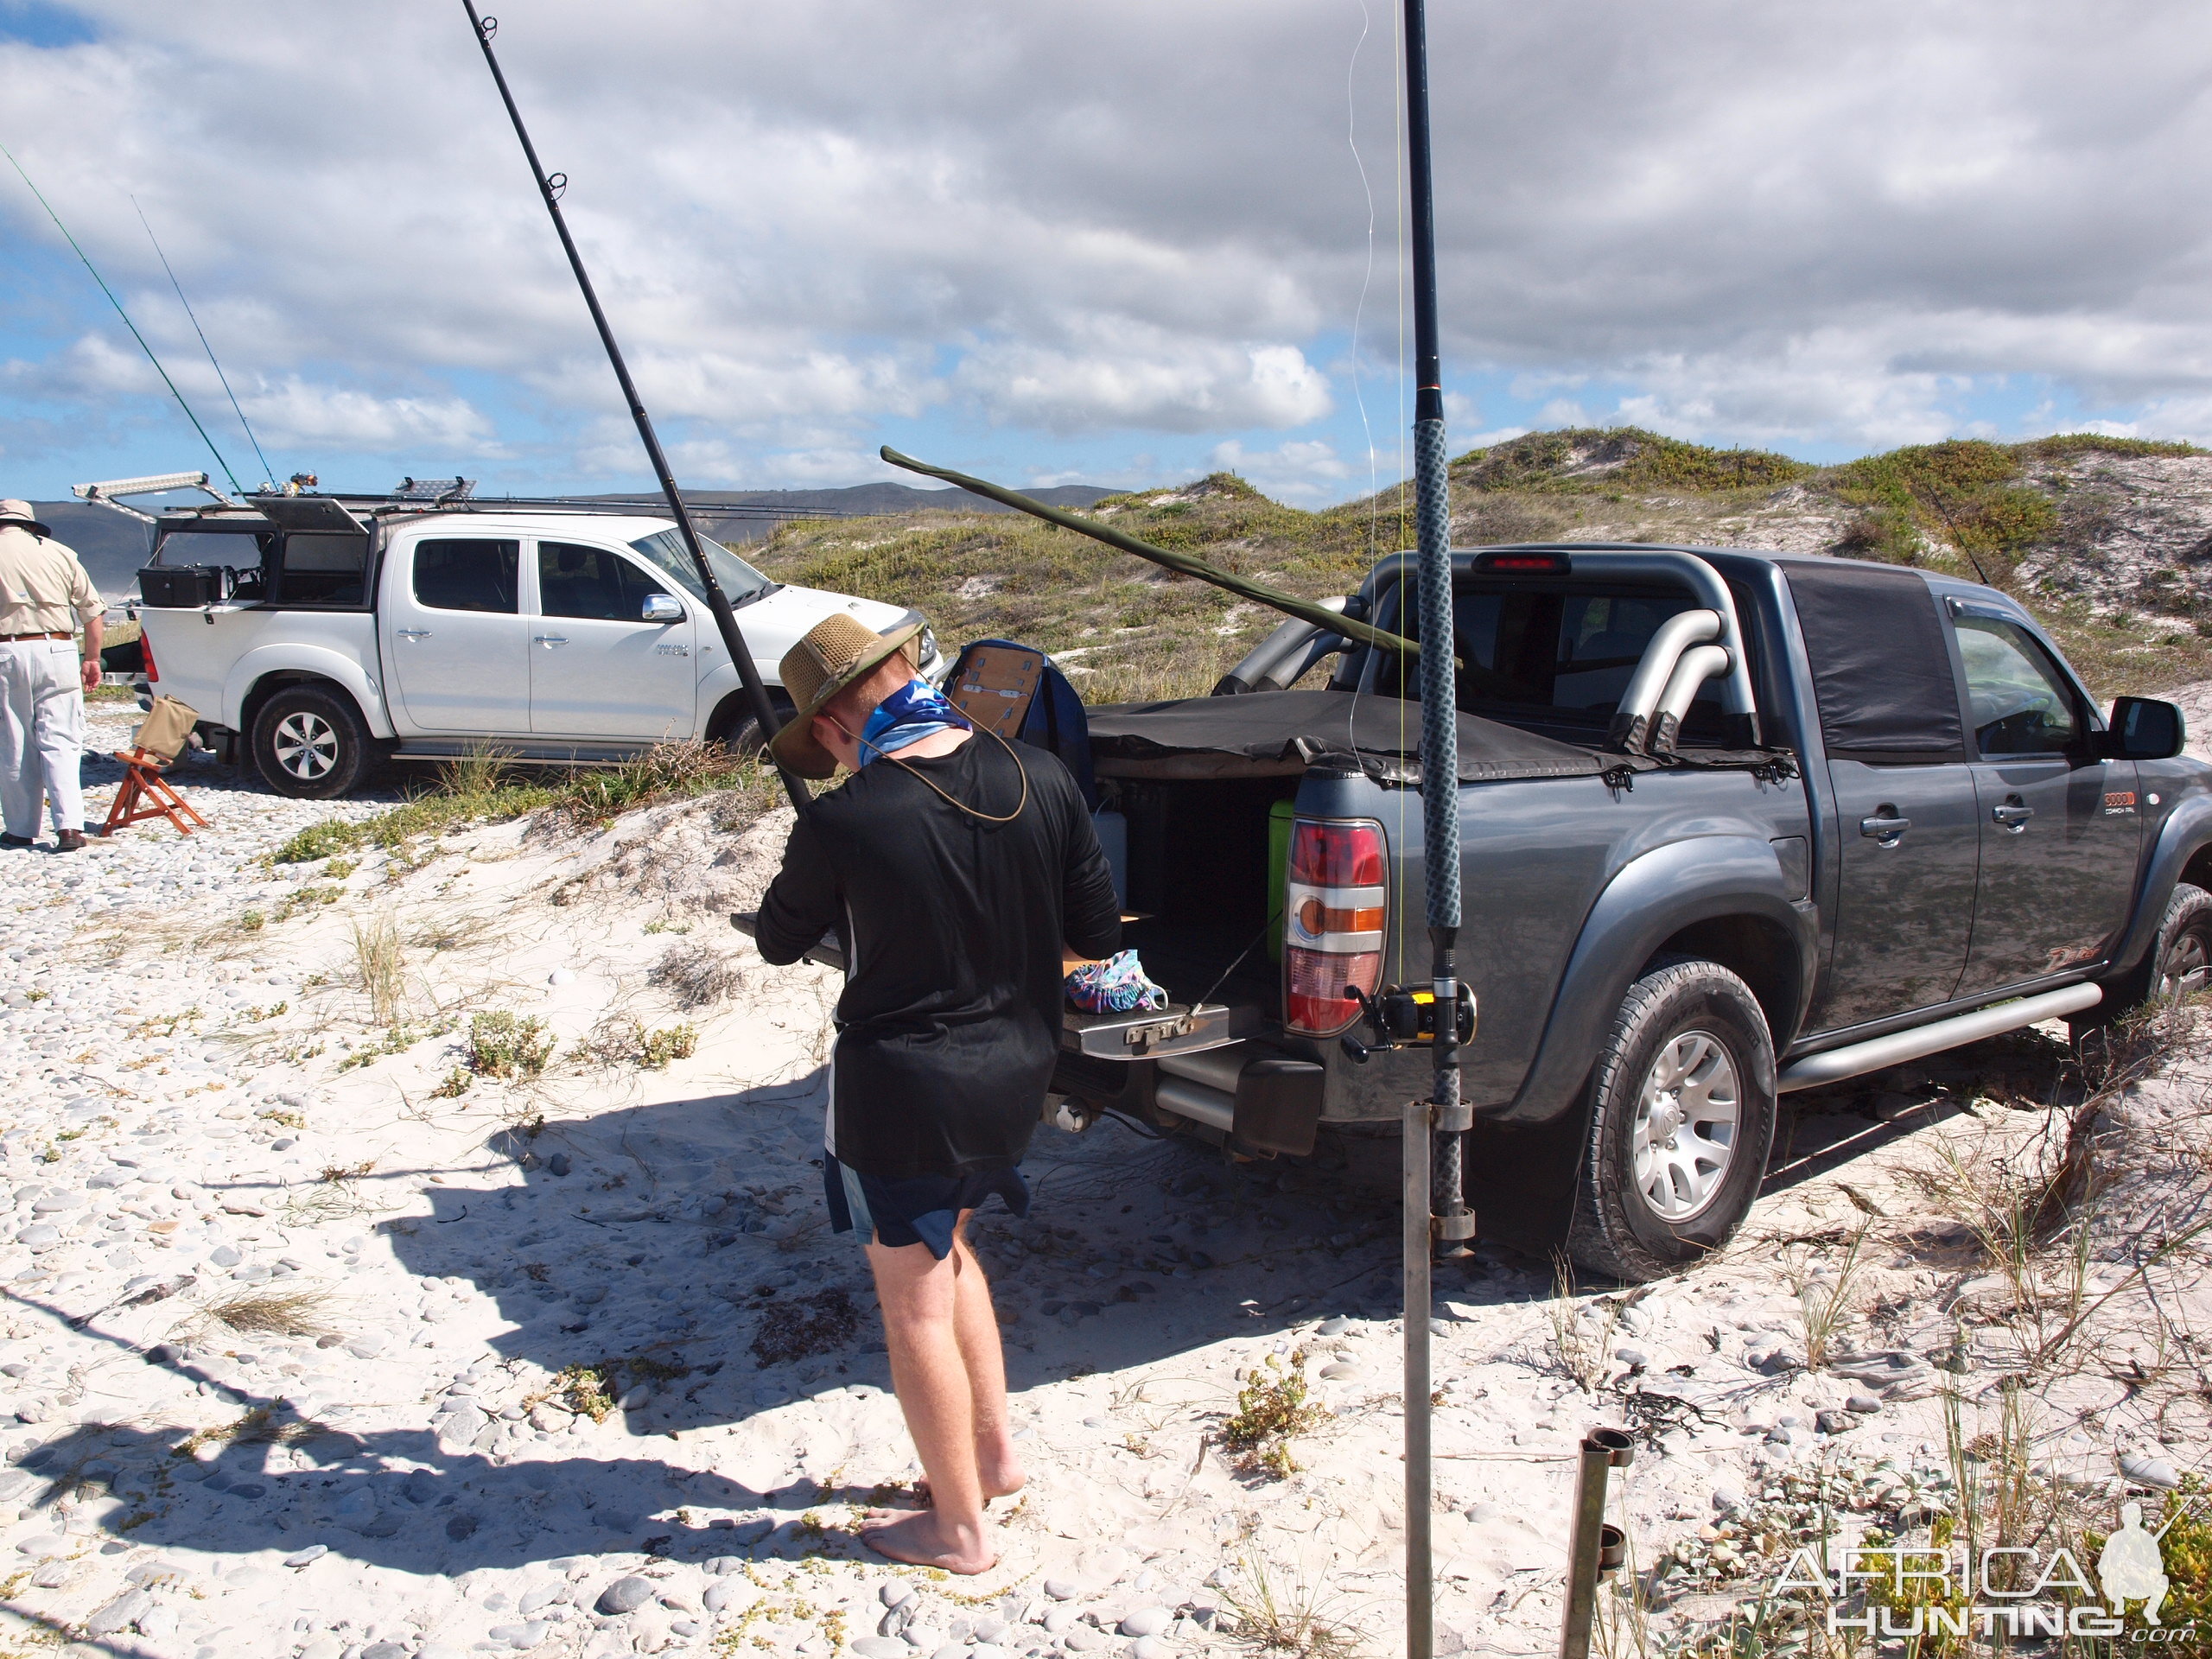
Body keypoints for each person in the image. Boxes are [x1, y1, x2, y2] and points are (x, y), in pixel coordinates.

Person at [754, 613, 1119, 1574]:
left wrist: (850, 871)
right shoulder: (1040, 777)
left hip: (905, 1089)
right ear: (910, 669)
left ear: (834, 719)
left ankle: (958, 1530)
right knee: (947, 1249)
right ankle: (993, 1460)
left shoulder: (845, 816)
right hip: (1016, 1071)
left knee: (909, 1300)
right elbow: (1091, 931)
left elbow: (778, 937)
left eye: (819, 735)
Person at [0, 499, 103, 853]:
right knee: (62, 740)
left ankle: (21, 829)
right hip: (58, 648)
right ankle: (70, 828)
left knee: (14, 742)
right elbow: (92, 612)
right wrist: (92, 658)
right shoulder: (60, 553)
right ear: (30, 525)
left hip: (6, 651)